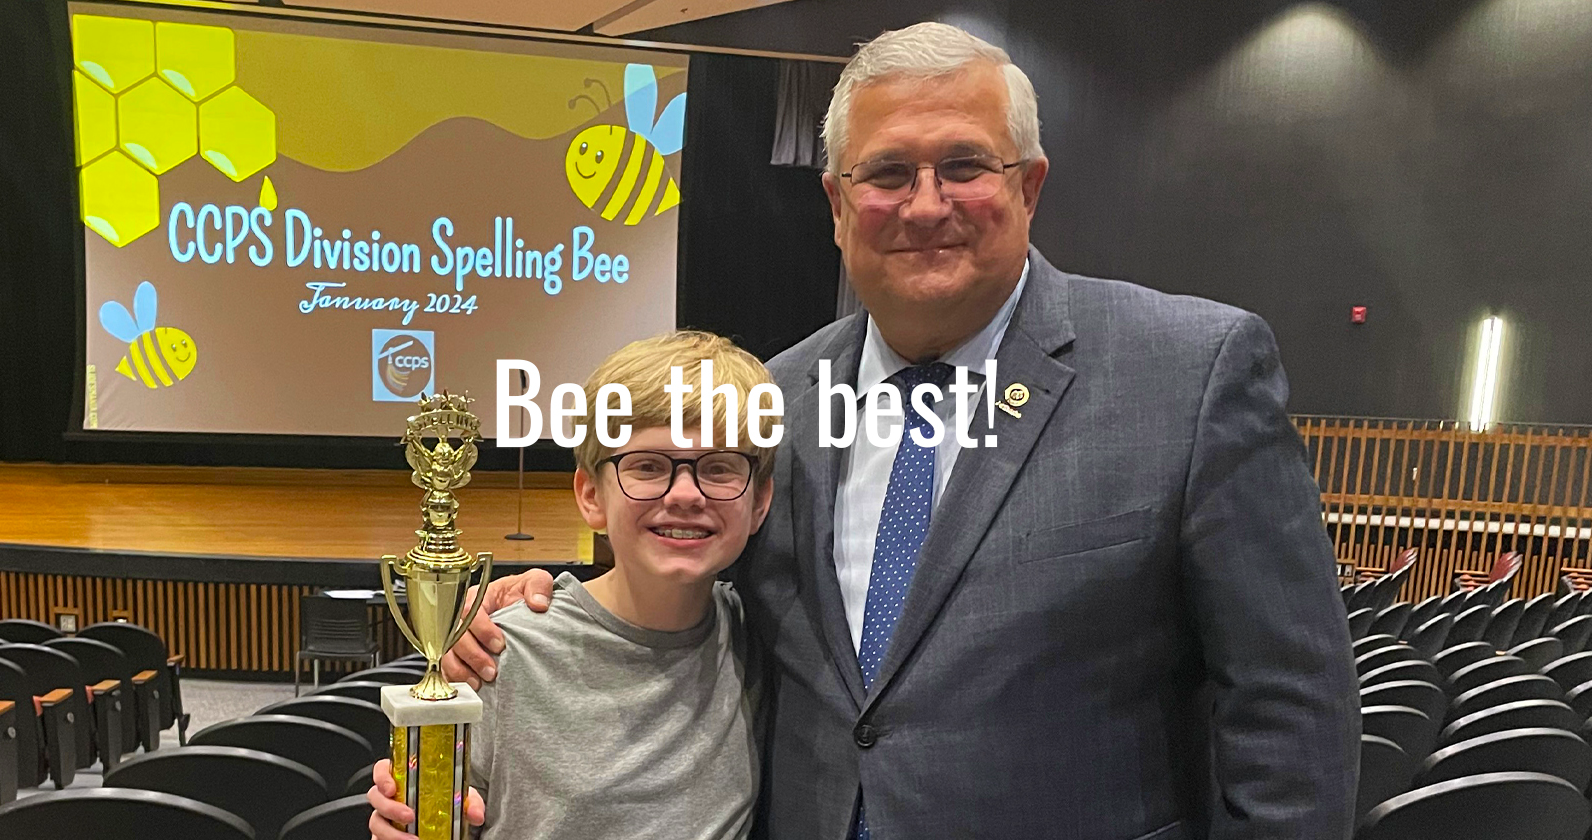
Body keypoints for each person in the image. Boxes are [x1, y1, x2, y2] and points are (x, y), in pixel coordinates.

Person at [440, 22, 1360, 840]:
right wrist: (531, 609)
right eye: (887, 173)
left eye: (964, 165)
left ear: (1030, 186)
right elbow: (694, 599)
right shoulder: (776, 396)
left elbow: (1291, 710)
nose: (925, 205)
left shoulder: (1191, 370)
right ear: (838, 203)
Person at [366, 331, 776, 839]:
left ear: (759, 501)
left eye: (719, 468)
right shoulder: (497, 656)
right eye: (648, 467)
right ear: (590, 495)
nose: (686, 494)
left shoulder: (764, 637)